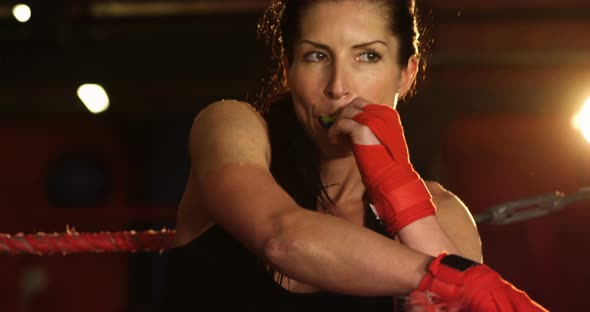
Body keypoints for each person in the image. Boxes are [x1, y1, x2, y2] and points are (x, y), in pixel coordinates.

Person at [161, 0, 547, 311]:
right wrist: (452, 278)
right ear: (287, 68)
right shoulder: (229, 127)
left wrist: (397, 189)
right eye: (316, 56)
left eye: (367, 57)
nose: (339, 88)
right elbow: (281, 238)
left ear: (407, 74)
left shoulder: (443, 212)